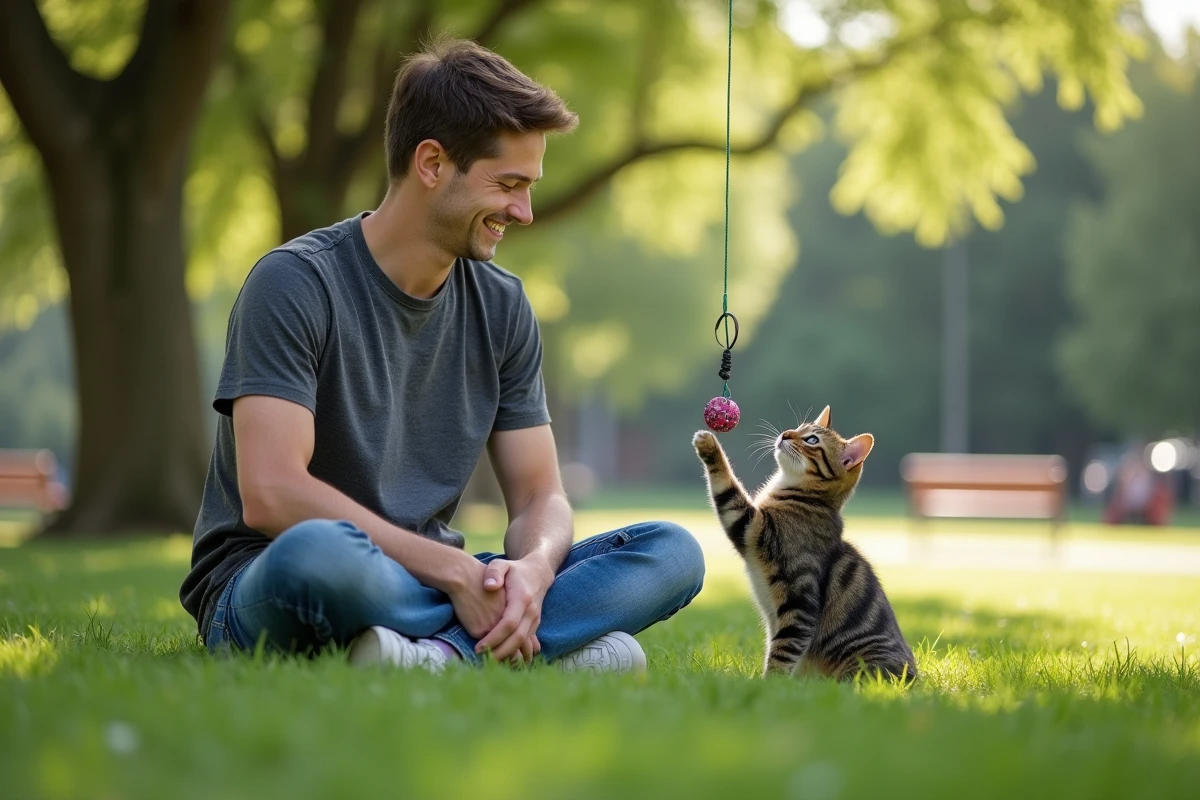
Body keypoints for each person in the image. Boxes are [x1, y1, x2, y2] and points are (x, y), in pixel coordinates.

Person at [178, 37, 705, 673]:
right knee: (318, 556)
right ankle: (523, 646)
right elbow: (272, 494)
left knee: (673, 552)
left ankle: (441, 653)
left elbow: (541, 495)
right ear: (432, 164)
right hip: (274, 576)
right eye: (508, 184)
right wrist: (455, 571)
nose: (525, 211)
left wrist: (535, 572)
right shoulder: (294, 283)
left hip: (433, 581)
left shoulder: (504, 306)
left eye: (529, 187)